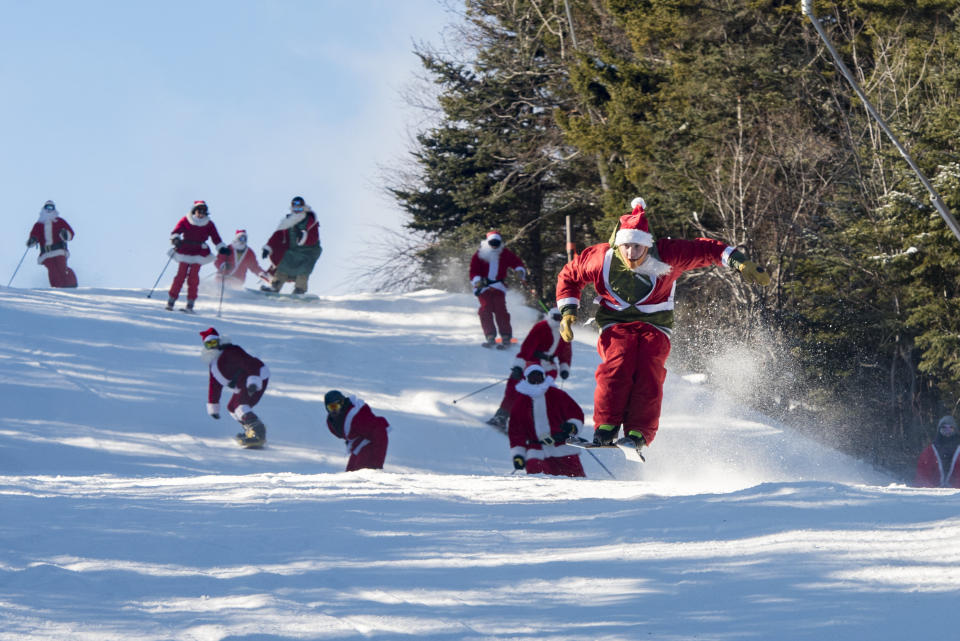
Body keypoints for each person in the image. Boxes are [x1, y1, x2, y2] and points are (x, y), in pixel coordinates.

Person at [555, 197, 771, 458]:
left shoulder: (669, 253)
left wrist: (741, 263)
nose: (632, 254)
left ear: (647, 245)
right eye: (627, 247)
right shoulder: (601, 259)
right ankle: (607, 425)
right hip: (615, 321)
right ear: (618, 244)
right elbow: (569, 276)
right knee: (618, 363)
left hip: (655, 322)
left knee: (648, 367)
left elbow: (708, 250)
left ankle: (638, 431)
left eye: (638, 247)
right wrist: (567, 312)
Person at [487, 307, 572, 429]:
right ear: (551, 317)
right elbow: (527, 347)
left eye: (562, 319)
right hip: (533, 361)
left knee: (542, 392)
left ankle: (534, 423)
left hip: (549, 367)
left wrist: (565, 367)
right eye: (557, 318)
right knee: (516, 385)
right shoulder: (541, 327)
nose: (559, 321)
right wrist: (519, 366)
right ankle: (502, 416)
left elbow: (566, 352)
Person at [507, 363, 586, 477]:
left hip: (562, 446)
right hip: (537, 452)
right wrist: (518, 455)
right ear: (527, 379)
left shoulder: (557, 394)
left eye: (538, 376)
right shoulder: (521, 402)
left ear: (543, 377)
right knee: (539, 484)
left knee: (577, 480)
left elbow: (575, 412)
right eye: (532, 377)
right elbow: (516, 432)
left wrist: (572, 426)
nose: (536, 380)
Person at [200, 327, 270, 447]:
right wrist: (214, 405)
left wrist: (253, 381)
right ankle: (250, 430)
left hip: (256, 375)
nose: (212, 347)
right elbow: (214, 385)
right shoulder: (213, 363)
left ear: (219, 342)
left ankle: (258, 433)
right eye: (209, 344)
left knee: (240, 405)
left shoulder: (231, 351)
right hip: (242, 382)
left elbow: (249, 363)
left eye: (214, 343)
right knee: (232, 407)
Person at [167, 200, 229, 312]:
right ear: (194, 211)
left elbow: (216, 238)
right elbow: (176, 231)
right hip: (185, 249)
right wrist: (176, 239)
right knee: (180, 276)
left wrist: (221, 247)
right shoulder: (187, 220)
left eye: (203, 212)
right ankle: (171, 301)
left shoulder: (209, 224)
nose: (201, 214)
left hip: (199, 252)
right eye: (199, 211)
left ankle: (190, 305)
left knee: (193, 278)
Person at [469, 230, 528, 348]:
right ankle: (490, 335)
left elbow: (516, 262)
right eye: (492, 243)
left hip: (498, 286)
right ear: (488, 242)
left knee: (500, 310)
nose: (495, 245)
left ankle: (506, 335)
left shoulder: (504, 253)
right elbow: (473, 270)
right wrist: (477, 280)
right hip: (483, 287)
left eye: (497, 243)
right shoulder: (480, 254)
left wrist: (519, 270)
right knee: (485, 310)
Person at [261, 196, 323, 295]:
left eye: (299, 208)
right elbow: (278, 235)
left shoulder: (310, 219)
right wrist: (268, 247)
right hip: (294, 251)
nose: (297, 210)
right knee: (284, 264)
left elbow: (314, 237)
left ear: (303, 207)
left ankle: (300, 289)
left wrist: (303, 236)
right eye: (295, 208)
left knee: (304, 269)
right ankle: (275, 286)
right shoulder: (288, 221)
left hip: (309, 250)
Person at [324, 390, 390, 471]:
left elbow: (380, 432)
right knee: (350, 473)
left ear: (342, 404)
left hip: (372, 443)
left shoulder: (358, 416)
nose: (334, 411)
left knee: (359, 474)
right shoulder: (332, 422)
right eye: (331, 407)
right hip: (358, 445)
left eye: (336, 406)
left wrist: (377, 464)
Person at [26, 200, 78, 287]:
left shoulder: (59, 221)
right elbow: (34, 235)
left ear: (54, 209)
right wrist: (33, 240)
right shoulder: (39, 225)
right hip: (46, 254)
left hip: (59, 251)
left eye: (51, 208)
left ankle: (70, 285)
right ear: (44, 209)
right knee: (53, 270)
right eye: (47, 207)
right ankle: (57, 287)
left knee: (62, 268)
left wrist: (65, 234)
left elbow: (70, 234)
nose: (49, 210)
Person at [914, 415, 960, 488]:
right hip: (934, 493)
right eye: (944, 429)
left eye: (950, 429)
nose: (947, 432)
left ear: (955, 430)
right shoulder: (930, 451)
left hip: (956, 493)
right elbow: (922, 473)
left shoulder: (958, 450)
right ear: (939, 431)